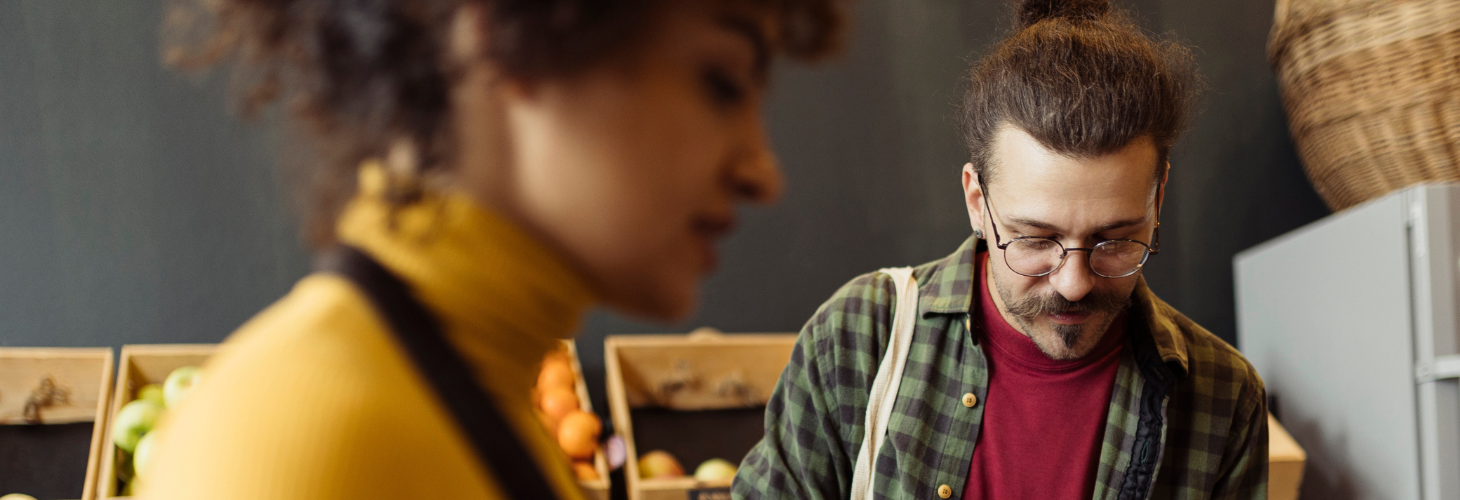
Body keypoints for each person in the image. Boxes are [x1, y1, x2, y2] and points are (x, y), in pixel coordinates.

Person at [135, 1, 844, 499]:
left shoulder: (484, 397)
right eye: (720, 82)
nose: (763, 169)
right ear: (511, 36)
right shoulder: (299, 449)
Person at [734, 0, 1267, 498]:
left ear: (1159, 198)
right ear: (976, 201)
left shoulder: (1224, 396)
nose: (1074, 282)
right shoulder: (857, 340)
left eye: (1115, 239)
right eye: (1036, 239)